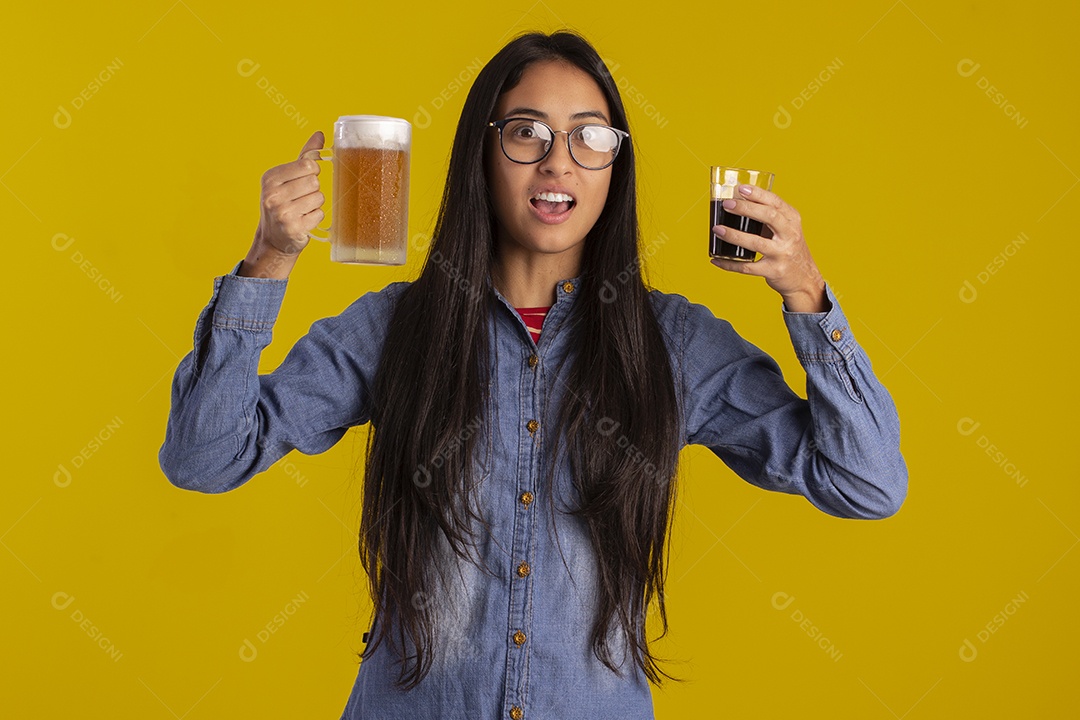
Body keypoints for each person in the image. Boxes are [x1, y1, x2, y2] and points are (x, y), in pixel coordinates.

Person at [158, 30, 907, 720]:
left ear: (615, 165)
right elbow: (203, 457)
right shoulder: (394, 326)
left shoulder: (672, 344)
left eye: (589, 137)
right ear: (482, 154)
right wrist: (269, 259)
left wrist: (806, 291)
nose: (558, 162)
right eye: (527, 133)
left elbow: (866, 482)